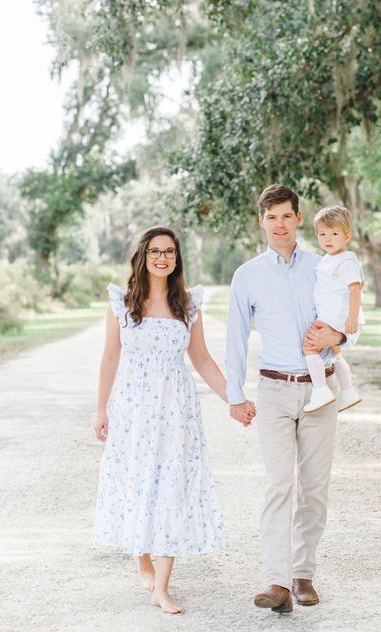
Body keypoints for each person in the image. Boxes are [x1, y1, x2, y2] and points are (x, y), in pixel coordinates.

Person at [94, 226, 254, 615]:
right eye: (154, 252)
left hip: (176, 411)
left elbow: (200, 358)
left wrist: (235, 397)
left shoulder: (188, 304)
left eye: (169, 252)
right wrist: (101, 409)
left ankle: (162, 588)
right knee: (139, 483)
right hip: (134, 410)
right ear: (143, 257)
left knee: (171, 488)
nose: (162, 258)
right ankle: (142, 557)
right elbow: (111, 357)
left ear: (176, 258)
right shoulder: (122, 303)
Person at [226, 184, 346, 614]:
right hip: (274, 391)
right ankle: (276, 581)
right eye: (271, 216)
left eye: (286, 216)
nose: (279, 224)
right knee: (280, 485)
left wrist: (341, 335)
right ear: (262, 221)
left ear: (299, 218)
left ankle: (302, 575)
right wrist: (234, 394)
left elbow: (353, 314)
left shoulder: (324, 267)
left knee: (314, 489)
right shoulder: (248, 275)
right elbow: (236, 337)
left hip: (320, 390)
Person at [303, 205, 364, 413]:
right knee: (335, 354)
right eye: (322, 234)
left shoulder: (347, 260)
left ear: (346, 236)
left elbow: (355, 289)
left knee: (310, 347)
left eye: (334, 234)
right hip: (330, 316)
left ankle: (320, 390)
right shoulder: (328, 259)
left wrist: (352, 318)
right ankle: (348, 391)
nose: (328, 239)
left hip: (340, 317)